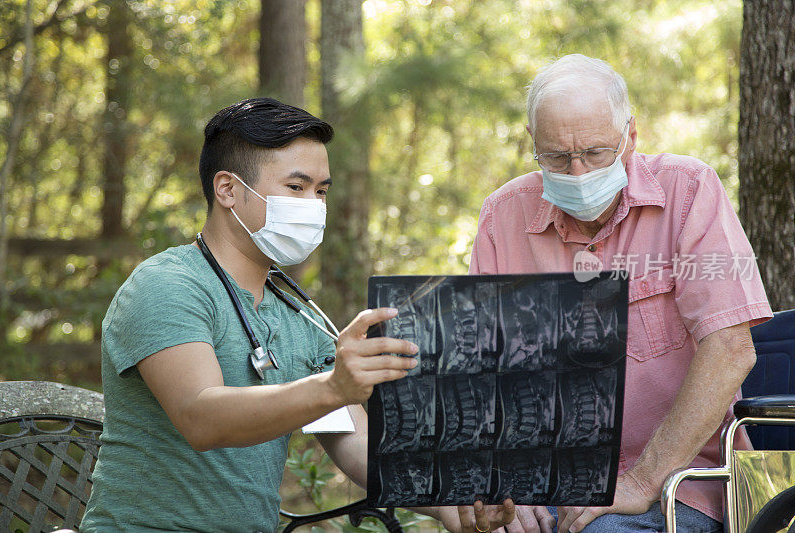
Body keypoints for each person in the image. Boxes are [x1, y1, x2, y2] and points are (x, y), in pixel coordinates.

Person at [81, 98, 515, 533]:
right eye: (296, 187)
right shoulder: (168, 285)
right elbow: (200, 416)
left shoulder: (298, 314)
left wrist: (446, 503)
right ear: (228, 189)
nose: (313, 204)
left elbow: (350, 436)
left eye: (321, 190)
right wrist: (332, 386)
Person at [470, 55, 773, 533]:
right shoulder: (502, 216)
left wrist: (640, 481)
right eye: (555, 157)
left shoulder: (688, 190)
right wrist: (506, 483)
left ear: (630, 135)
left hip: (683, 484)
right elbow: (486, 370)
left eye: (594, 152)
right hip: (550, 486)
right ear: (532, 145)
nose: (576, 172)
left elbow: (731, 350)